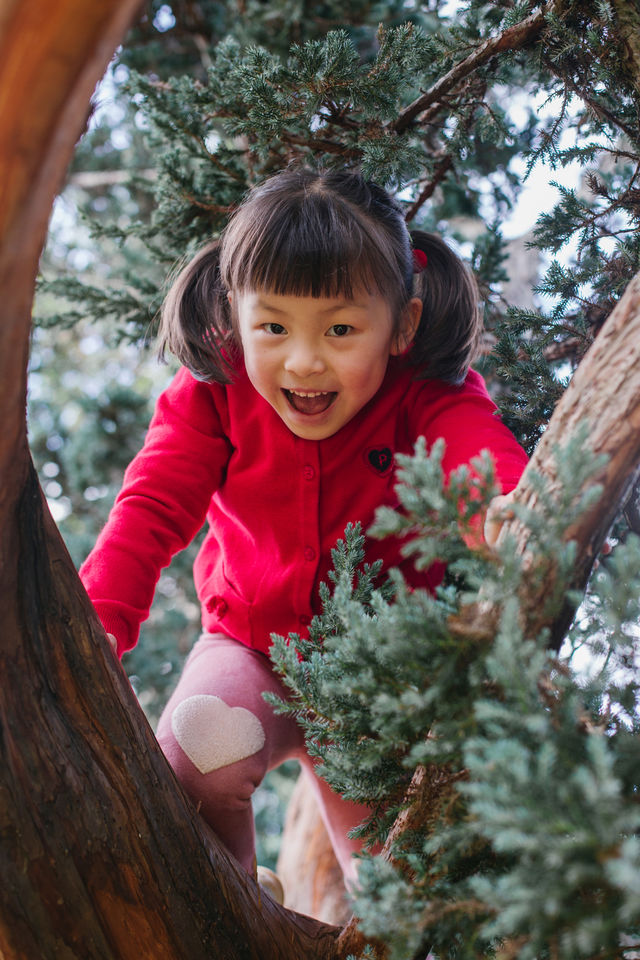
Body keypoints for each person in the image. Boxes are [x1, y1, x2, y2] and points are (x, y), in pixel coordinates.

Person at [80, 167, 528, 901]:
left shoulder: (422, 388)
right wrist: (99, 619)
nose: (305, 360)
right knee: (198, 745)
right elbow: (152, 504)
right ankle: (234, 897)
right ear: (235, 313)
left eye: (342, 329)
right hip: (252, 648)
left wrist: (505, 515)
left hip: (382, 680)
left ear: (402, 326)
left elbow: (477, 459)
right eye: (274, 327)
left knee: (398, 890)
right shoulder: (215, 391)